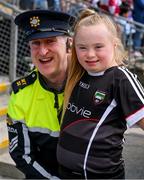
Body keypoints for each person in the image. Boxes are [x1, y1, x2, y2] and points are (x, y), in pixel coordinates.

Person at [57, 9, 144, 179]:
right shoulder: (78, 73)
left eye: (98, 47)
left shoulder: (120, 79)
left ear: (114, 44)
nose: (90, 54)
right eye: (82, 47)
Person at [6, 9, 75, 179]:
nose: (42, 52)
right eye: (35, 43)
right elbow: (22, 155)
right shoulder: (21, 93)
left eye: (50, 41)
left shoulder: (92, 82)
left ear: (69, 44)